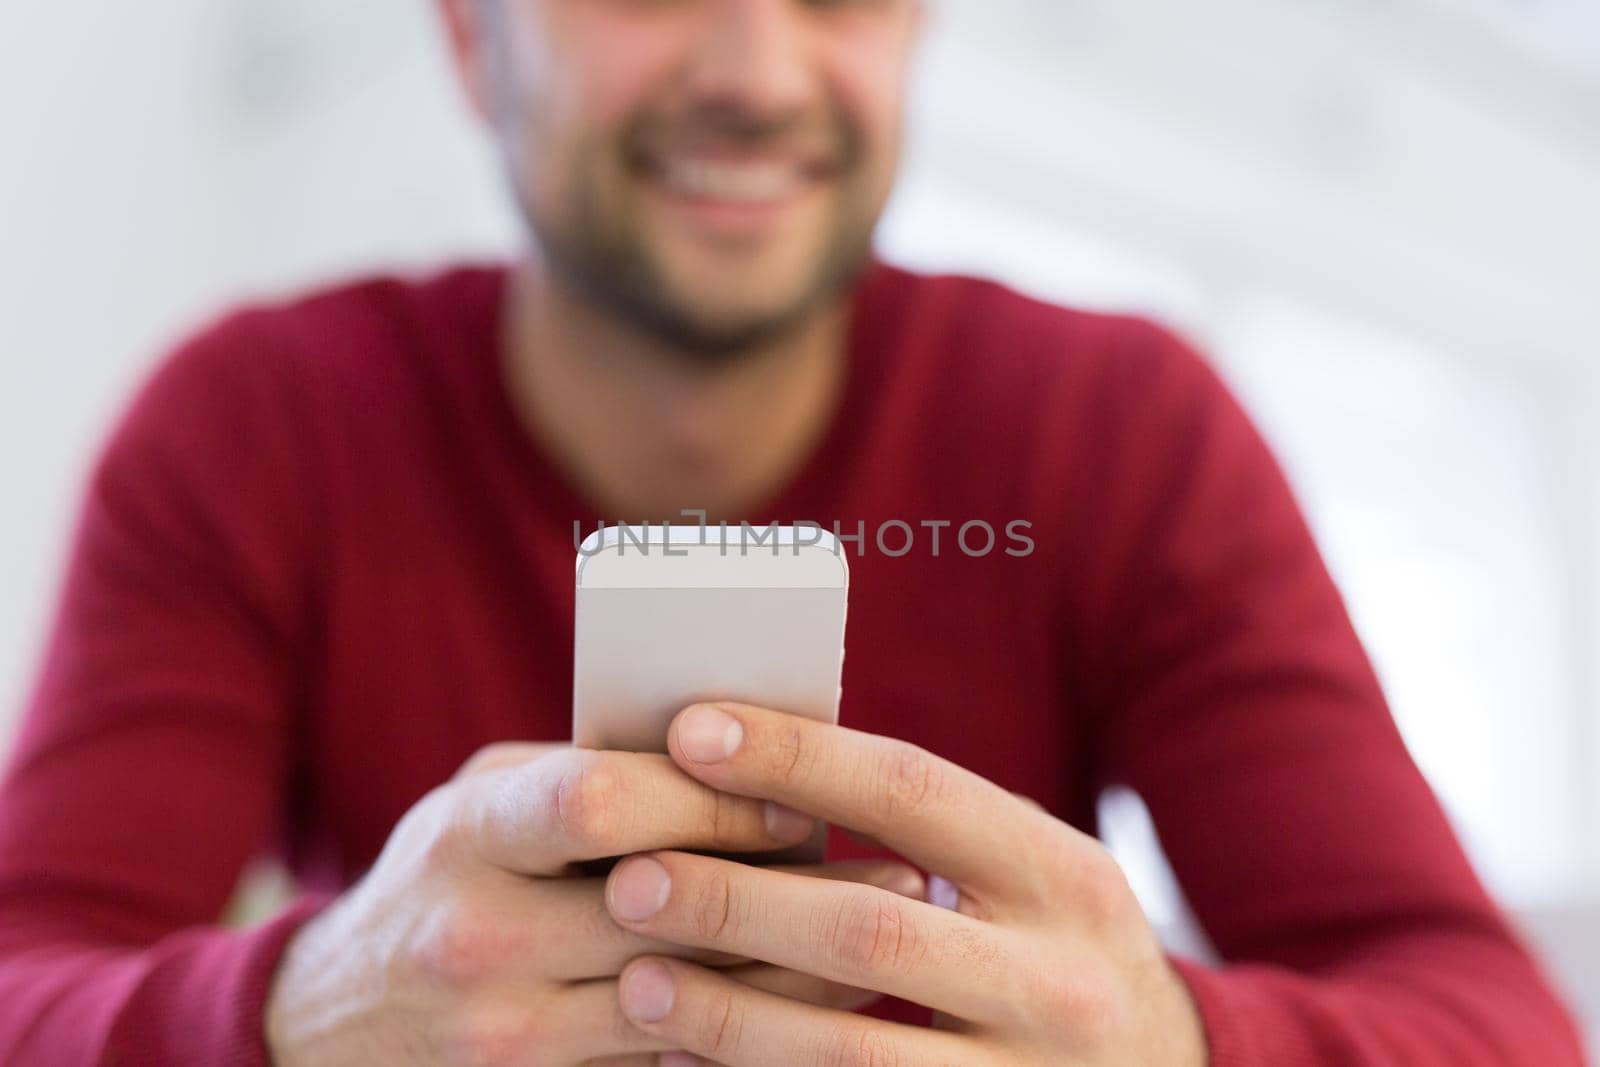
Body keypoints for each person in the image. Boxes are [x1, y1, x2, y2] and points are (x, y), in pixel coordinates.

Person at [0, 0, 1584, 1063]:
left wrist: (1171, 1041)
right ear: (475, 42)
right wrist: (295, 1009)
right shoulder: (252, 427)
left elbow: (1496, 1026)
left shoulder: (1127, 430)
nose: (758, 75)